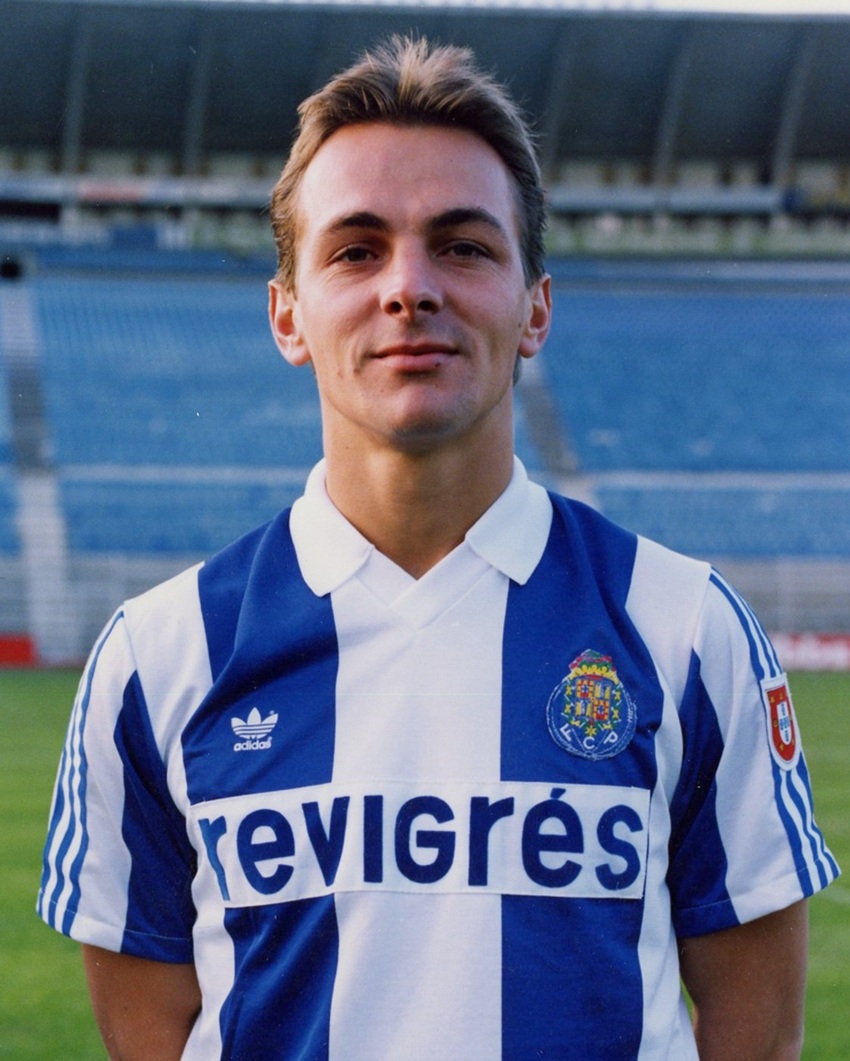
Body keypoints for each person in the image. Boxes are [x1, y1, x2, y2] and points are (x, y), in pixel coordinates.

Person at [39, 35, 838, 1061]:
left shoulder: (686, 629)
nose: (409, 287)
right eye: (356, 249)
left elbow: (757, 1032)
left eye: (463, 246)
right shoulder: (157, 656)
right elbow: (149, 1032)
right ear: (287, 315)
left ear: (535, 306)